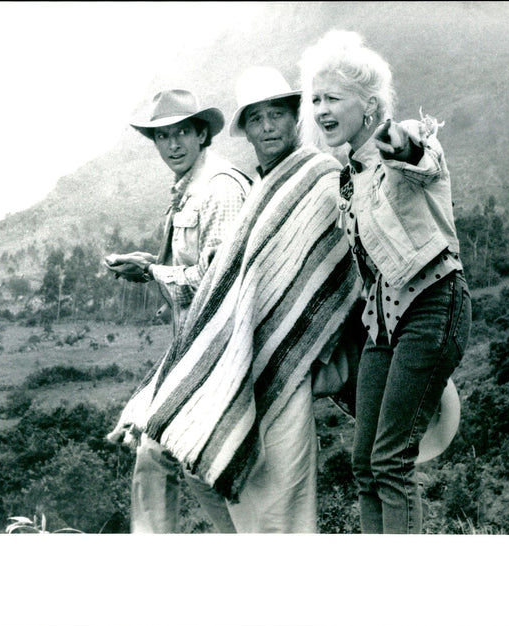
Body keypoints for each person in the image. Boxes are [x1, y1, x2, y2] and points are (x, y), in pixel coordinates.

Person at [109, 66, 361, 533]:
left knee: (277, 499)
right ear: (243, 128)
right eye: (257, 118)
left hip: (281, 357)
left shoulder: (313, 178)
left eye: (278, 114)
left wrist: (154, 272)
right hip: (231, 353)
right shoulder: (262, 186)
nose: (268, 127)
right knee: (200, 462)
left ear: (297, 116)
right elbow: (236, 277)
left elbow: (326, 270)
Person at [299, 30, 472, 534]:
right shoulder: (346, 178)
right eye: (315, 99)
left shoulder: (402, 140)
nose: (321, 110)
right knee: (365, 464)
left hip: (433, 303)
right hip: (382, 323)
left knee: (392, 460)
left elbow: (421, 158)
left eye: (332, 98)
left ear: (369, 104)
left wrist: (397, 136)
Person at [105, 89, 251, 533]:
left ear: (202, 133)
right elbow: (194, 269)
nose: (172, 145)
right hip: (194, 348)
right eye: (162, 136)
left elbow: (221, 283)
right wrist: (152, 266)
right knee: (158, 452)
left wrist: (154, 275)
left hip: (221, 352)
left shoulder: (220, 189)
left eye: (181, 132)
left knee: (181, 456)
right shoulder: (188, 190)